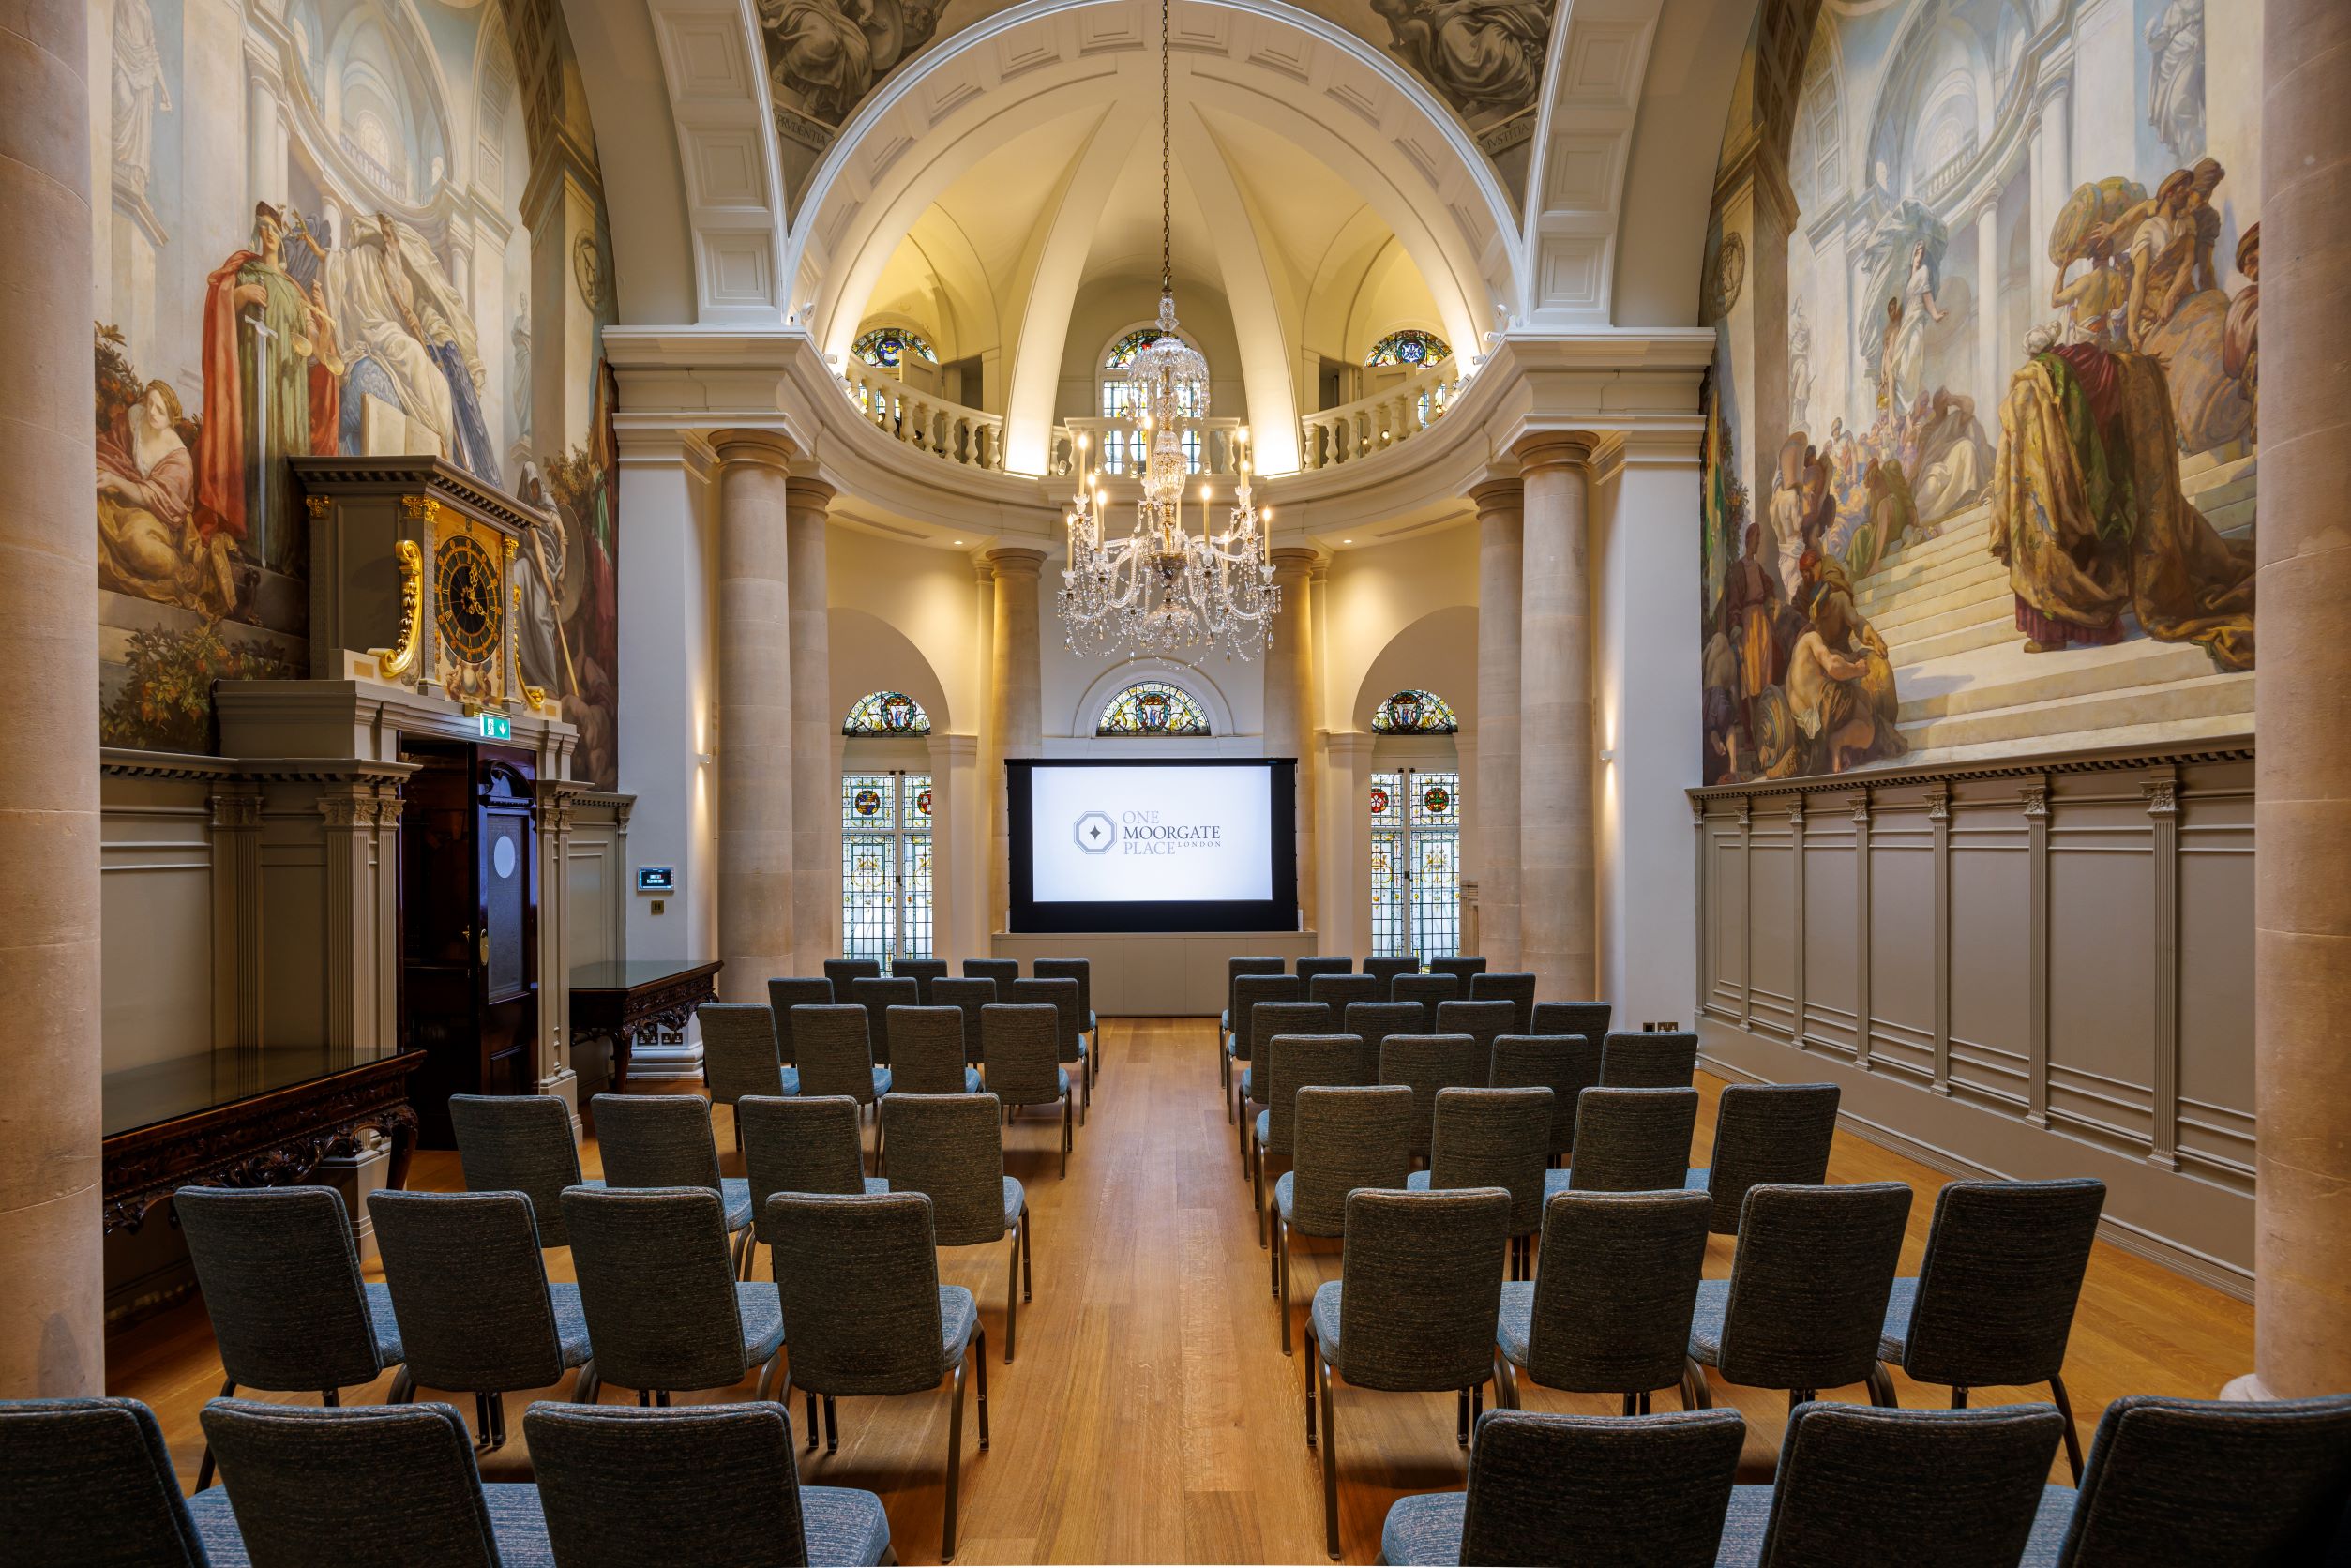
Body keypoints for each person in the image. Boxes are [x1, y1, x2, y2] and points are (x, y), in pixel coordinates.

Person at [1989, 323, 2254, 666]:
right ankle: (2090, 625)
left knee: (2057, 536)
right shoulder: (2071, 369)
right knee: (2070, 531)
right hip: (2044, 479)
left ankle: (2059, 630)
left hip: (2037, 484)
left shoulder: (2034, 381)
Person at [196, 203, 315, 576]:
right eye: (262, 226)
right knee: (255, 449)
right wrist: (240, 296)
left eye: (274, 228)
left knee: (284, 458)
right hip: (255, 379)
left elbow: (313, 348)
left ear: (282, 238)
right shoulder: (246, 271)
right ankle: (253, 546)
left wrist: (316, 329)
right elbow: (220, 306)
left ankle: (288, 555)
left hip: (288, 387)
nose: (268, 233)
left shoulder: (295, 291)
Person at [98, 380, 233, 616]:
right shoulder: (136, 420)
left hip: (159, 517)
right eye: (150, 404)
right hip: (125, 497)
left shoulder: (179, 460)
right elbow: (113, 449)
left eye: (160, 410)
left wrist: (115, 481)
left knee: (137, 541)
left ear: (172, 417)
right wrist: (108, 473)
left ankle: (185, 575)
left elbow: (155, 498)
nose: (152, 412)